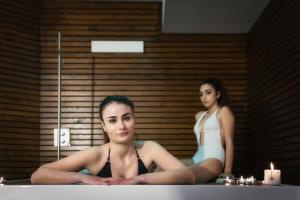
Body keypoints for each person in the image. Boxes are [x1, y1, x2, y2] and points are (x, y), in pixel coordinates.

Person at [31, 95, 194, 185]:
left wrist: (140, 178)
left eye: (126, 118)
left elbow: (188, 175)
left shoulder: (149, 148)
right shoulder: (96, 154)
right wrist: (83, 178)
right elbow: (38, 175)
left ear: (134, 119)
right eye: (112, 120)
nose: (121, 126)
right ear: (103, 126)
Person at [181, 78, 235, 183]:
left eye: (208, 93)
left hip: (214, 159)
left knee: (181, 175)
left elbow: (229, 142)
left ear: (218, 94)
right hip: (196, 158)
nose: (204, 97)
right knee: (161, 167)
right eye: (201, 94)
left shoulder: (223, 111)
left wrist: (227, 172)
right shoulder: (199, 115)